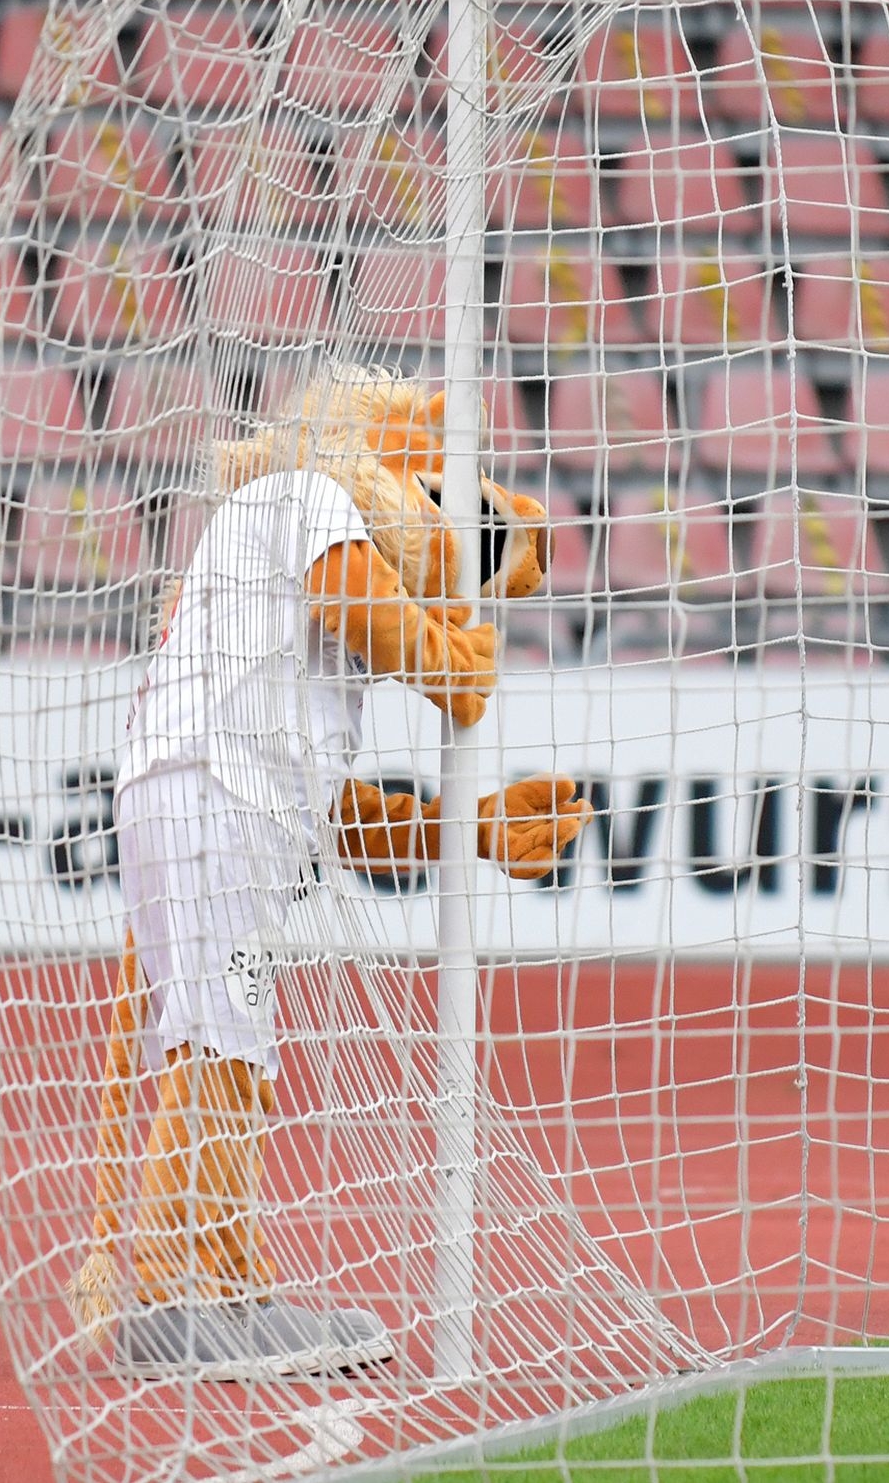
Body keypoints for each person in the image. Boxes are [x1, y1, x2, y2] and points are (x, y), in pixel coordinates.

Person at [68, 369, 587, 1379]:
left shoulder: (290, 616)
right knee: (222, 1042)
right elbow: (363, 602)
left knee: (230, 1041)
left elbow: (336, 817)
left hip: (221, 805)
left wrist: (470, 828)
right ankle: (179, 1291)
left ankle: (227, 1278)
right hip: (211, 798)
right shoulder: (308, 496)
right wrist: (446, 663)